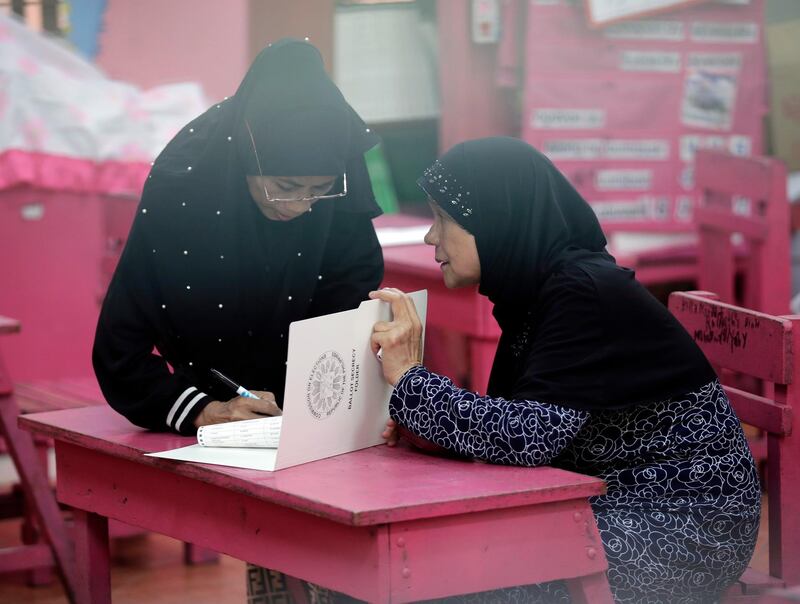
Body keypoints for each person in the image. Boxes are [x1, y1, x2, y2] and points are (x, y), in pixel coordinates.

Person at [370, 137, 760, 604]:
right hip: (601, 500)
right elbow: (524, 425)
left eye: (444, 219)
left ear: (497, 218)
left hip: (684, 525)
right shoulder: (538, 289)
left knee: (455, 576)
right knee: (419, 565)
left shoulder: (583, 292)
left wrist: (412, 380)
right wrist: (423, 419)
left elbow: (529, 438)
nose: (431, 237)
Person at [93, 39, 383, 604]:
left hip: (316, 421)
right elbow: (119, 353)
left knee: (341, 558)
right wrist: (205, 410)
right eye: (284, 186)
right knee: (282, 560)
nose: (299, 206)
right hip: (229, 402)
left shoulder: (335, 203)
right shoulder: (185, 190)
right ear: (247, 158)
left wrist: (326, 393)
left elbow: (353, 306)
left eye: (317, 190)